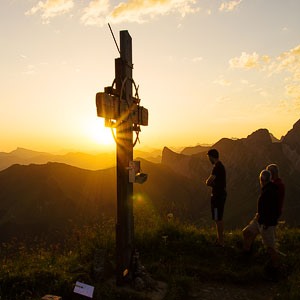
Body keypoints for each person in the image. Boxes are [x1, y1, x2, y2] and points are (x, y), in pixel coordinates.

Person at [242, 170, 280, 271]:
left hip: (266, 223)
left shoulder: (270, 192)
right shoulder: (269, 189)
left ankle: (275, 268)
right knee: (247, 232)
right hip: (259, 220)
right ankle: (247, 256)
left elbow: (272, 210)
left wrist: (266, 223)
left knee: (270, 248)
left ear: (261, 180)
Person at [206, 149, 227, 247]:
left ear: (211, 157)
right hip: (220, 195)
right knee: (217, 217)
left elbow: (208, 181)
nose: (208, 159)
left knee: (218, 218)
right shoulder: (221, 166)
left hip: (217, 197)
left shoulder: (216, 167)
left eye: (208, 157)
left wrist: (211, 184)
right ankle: (219, 239)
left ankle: (221, 241)